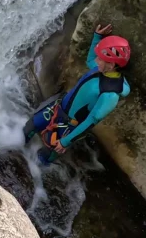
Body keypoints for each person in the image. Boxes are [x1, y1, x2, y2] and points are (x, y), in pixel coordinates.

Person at [23, 23, 130, 165]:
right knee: (29, 128)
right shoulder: (100, 69)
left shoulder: (110, 94)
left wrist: (66, 141)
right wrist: (97, 37)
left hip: (69, 126)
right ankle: (15, 153)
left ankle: (34, 173)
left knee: (44, 157)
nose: (96, 61)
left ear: (111, 65)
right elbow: (90, 60)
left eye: (101, 59)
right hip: (58, 108)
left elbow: (90, 122)